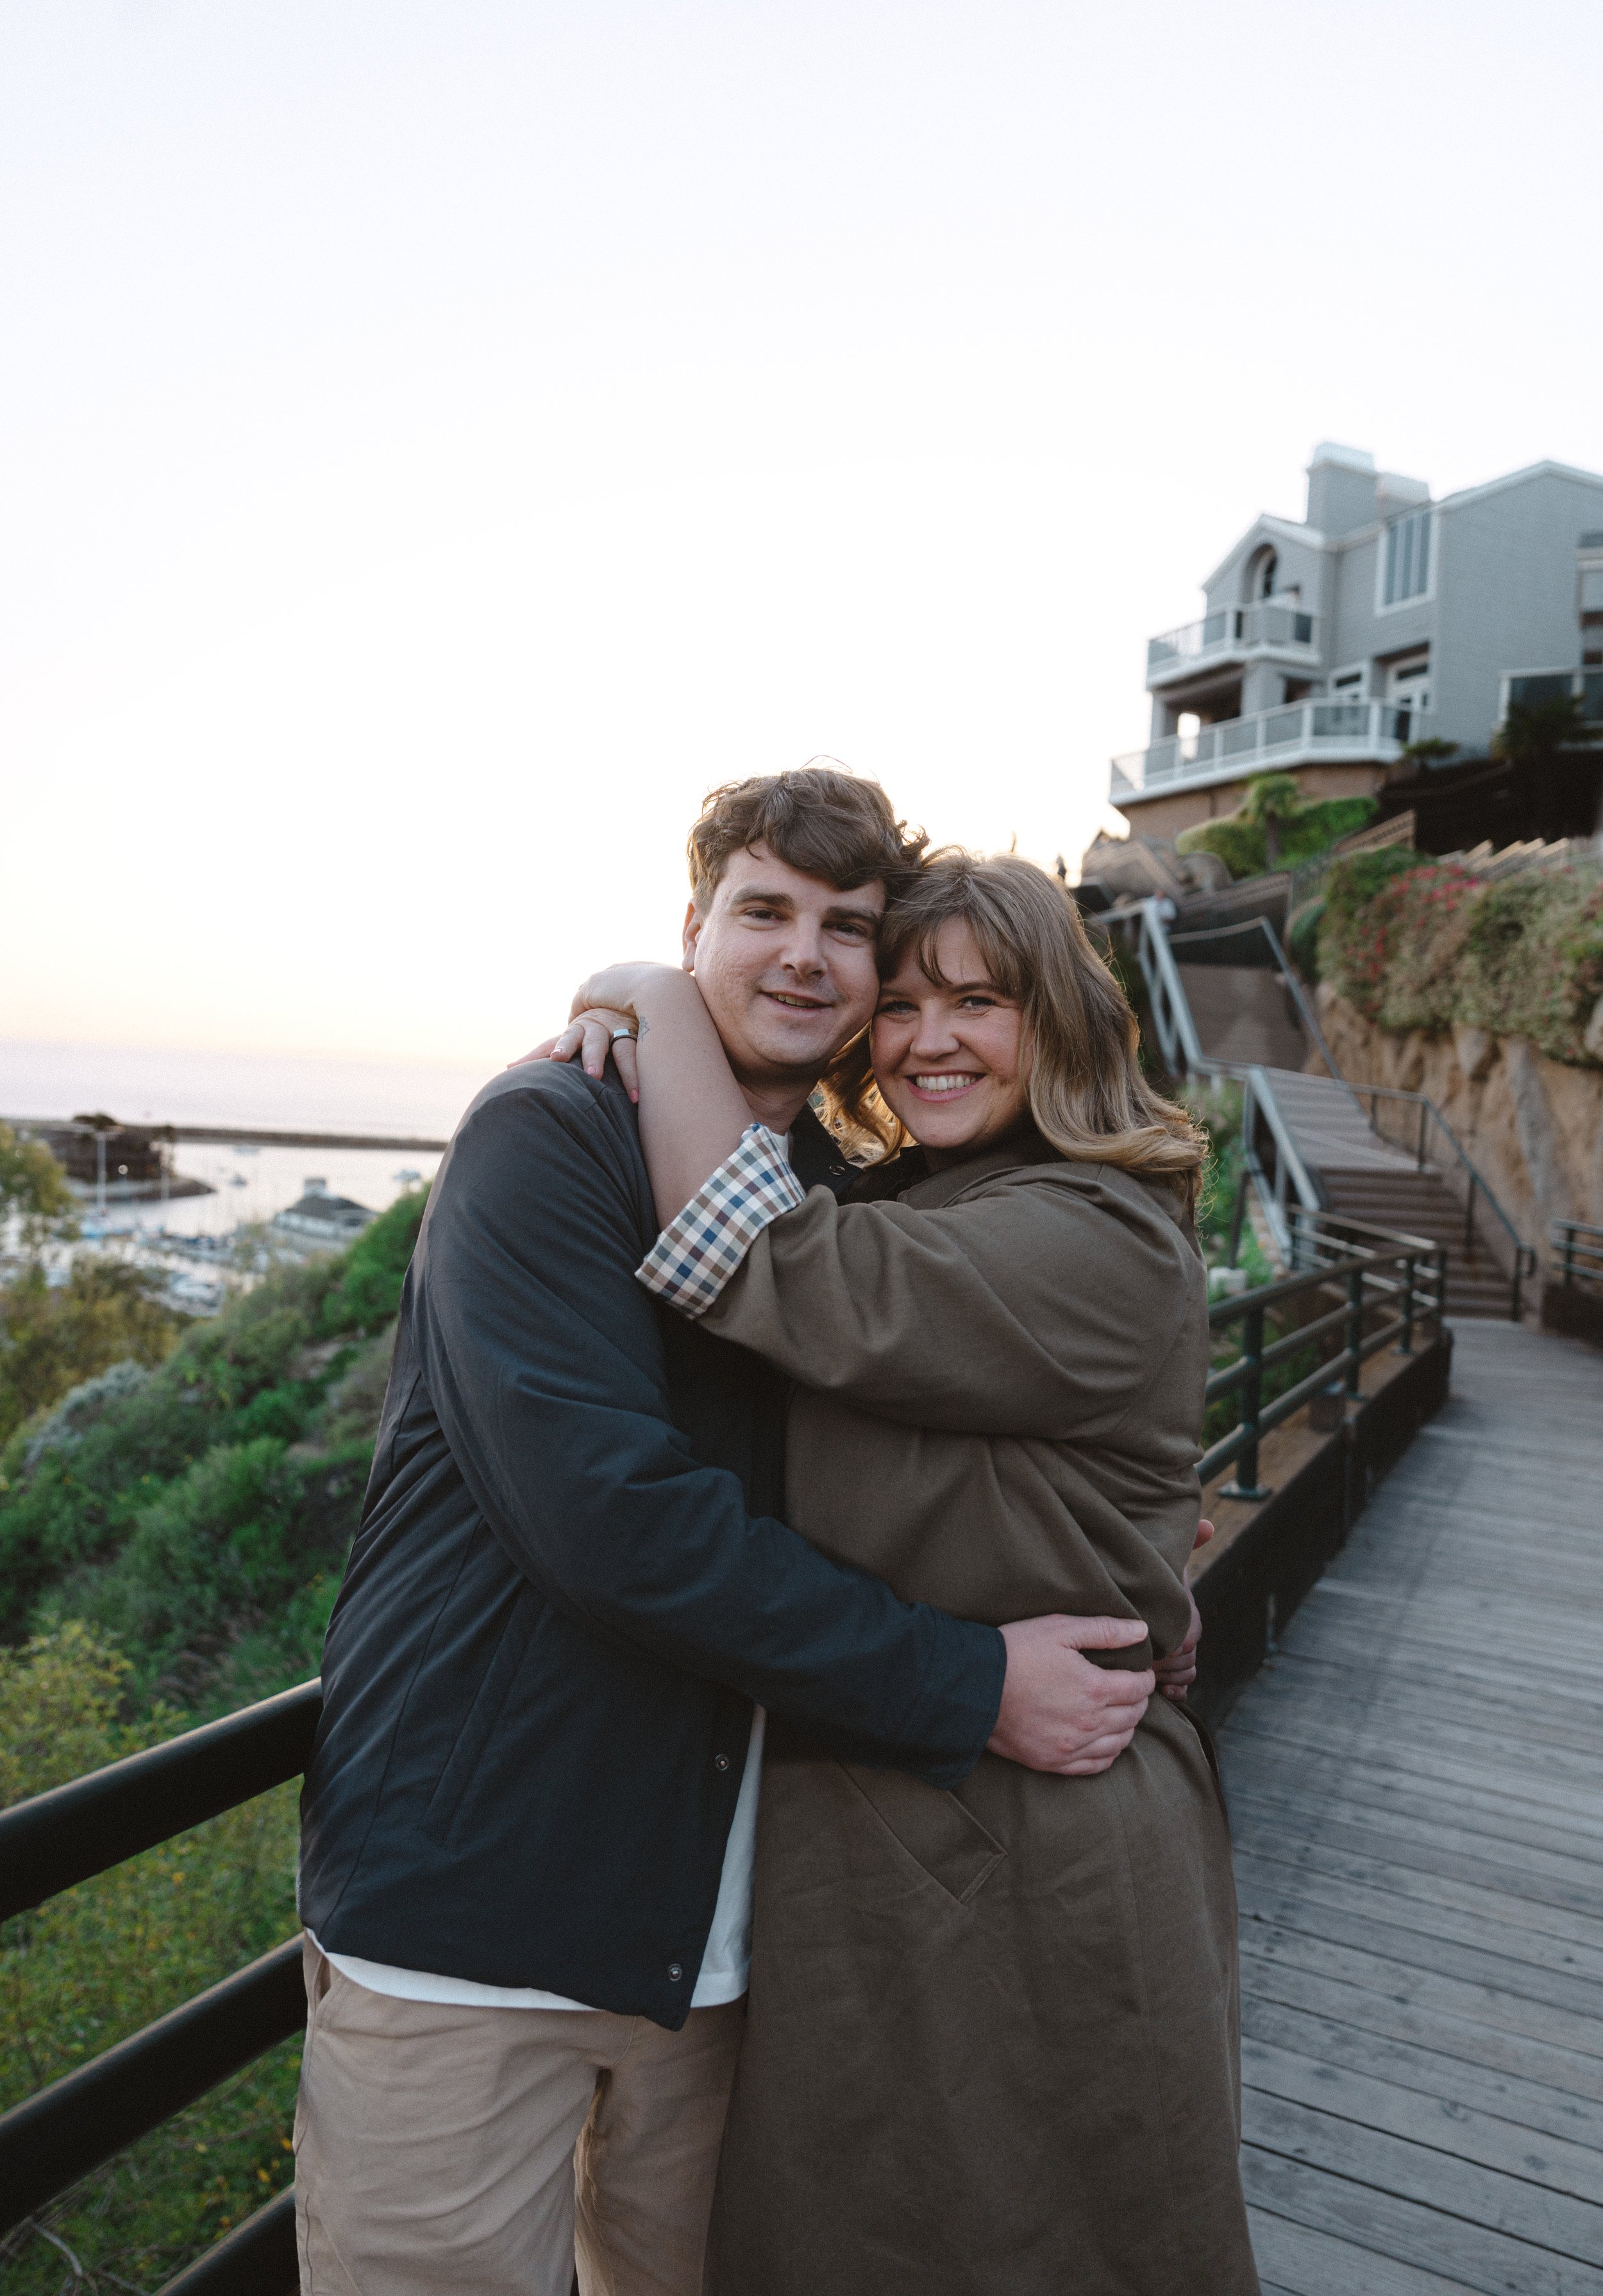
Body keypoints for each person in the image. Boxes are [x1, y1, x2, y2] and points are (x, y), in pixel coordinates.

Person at [292, 772, 1163, 2296]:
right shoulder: (548, 1135)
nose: (807, 959)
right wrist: (965, 1683)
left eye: (850, 931)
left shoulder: (843, 1196)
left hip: (728, 1947)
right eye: (762, 913)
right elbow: (616, 1525)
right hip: (481, 1909)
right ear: (695, 930)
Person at [557, 847, 1257, 2296]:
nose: (928, 1040)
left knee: (1038, 2236)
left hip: (1029, 1849)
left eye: (979, 1002)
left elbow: (756, 1262)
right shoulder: (944, 1195)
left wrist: (647, 993)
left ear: (1057, 1018)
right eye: (905, 1005)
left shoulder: (1089, 1228)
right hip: (900, 1831)